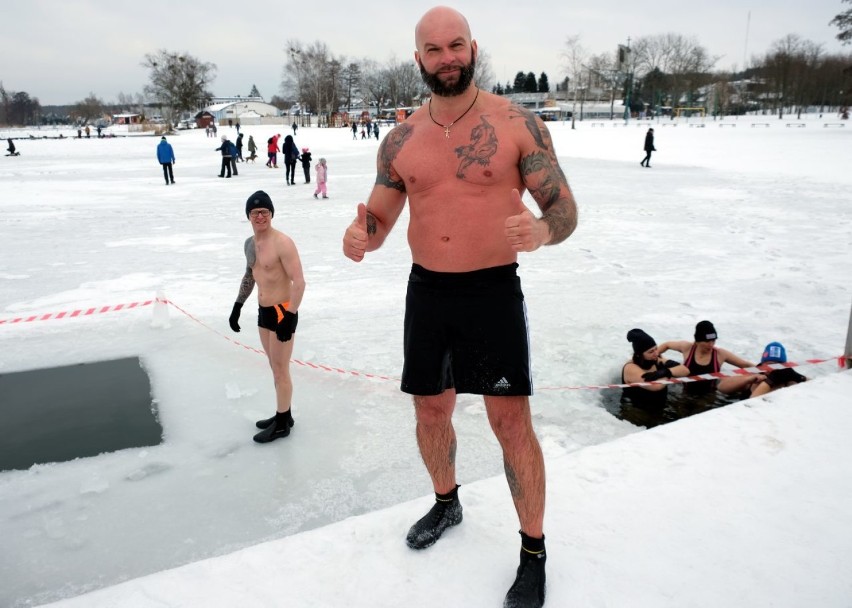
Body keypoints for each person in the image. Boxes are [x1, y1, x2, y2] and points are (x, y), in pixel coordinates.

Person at [341, 7, 578, 607]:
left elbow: (565, 209)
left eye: (455, 46)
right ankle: (447, 502)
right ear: (417, 59)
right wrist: (362, 233)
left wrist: (543, 232)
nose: (447, 58)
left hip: (493, 292)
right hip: (428, 292)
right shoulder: (400, 138)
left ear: (473, 48)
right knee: (430, 411)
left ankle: (533, 552)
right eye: (433, 49)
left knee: (509, 423)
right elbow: (381, 214)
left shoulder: (517, 124)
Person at [228, 191, 306, 443]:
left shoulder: (283, 242)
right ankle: (285, 415)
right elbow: (250, 276)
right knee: (274, 367)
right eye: (255, 212)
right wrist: (238, 305)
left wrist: (291, 315)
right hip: (264, 312)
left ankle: (282, 423)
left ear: (271, 214)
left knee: (281, 369)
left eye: (264, 212)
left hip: (283, 311)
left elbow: (299, 282)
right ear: (248, 216)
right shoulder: (250, 244)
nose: (260, 216)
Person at [657, 320, 759, 397]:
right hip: (685, 395)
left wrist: (766, 369)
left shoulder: (720, 354)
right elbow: (667, 345)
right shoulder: (687, 348)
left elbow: (745, 365)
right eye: (707, 342)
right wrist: (655, 354)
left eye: (713, 341)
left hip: (708, 397)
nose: (711, 345)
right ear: (697, 341)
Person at [621, 328, 691, 411]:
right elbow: (656, 386)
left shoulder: (656, 360)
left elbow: (685, 370)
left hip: (659, 407)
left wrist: (667, 371)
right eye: (651, 352)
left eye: (656, 349)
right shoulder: (630, 368)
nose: (656, 354)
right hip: (637, 411)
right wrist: (669, 373)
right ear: (639, 355)